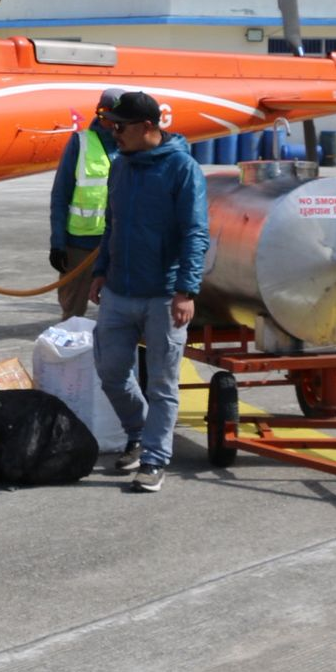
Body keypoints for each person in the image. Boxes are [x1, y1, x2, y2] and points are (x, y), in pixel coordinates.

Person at [88, 90, 209, 493]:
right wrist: (101, 271)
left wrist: (186, 290)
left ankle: (155, 459)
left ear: (147, 127)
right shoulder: (121, 166)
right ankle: (138, 434)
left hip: (163, 295)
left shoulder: (182, 169)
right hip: (120, 291)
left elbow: (195, 233)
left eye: (119, 127)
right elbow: (113, 225)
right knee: (110, 373)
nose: (113, 133)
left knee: (161, 384)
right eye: (110, 126)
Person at [47, 90, 124, 319]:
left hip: (118, 246)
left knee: (121, 314)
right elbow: (60, 195)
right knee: (72, 312)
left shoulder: (134, 146)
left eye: (117, 119)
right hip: (80, 245)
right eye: (105, 117)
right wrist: (58, 244)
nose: (111, 124)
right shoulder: (81, 143)